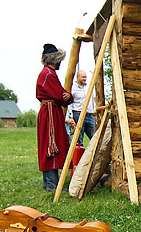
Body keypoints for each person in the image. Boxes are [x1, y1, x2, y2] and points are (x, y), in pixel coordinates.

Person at [36, 43, 73, 191]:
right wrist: (68, 97)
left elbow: (65, 96)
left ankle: (49, 183)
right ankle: (51, 184)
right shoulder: (48, 74)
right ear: (54, 59)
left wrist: (68, 96)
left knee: (49, 145)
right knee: (52, 146)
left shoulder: (48, 74)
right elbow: (60, 95)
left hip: (51, 112)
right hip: (50, 114)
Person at [65, 69, 96, 144]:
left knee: (95, 137)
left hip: (89, 115)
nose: (85, 79)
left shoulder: (89, 87)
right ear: (77, 77)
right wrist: (71, 116)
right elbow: (70, 103)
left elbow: (92, 99)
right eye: (83, 77)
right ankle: (79, 154)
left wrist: (94, 112)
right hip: (78, 114)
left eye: (85, 77)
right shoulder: (72, 88)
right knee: (79, 139)